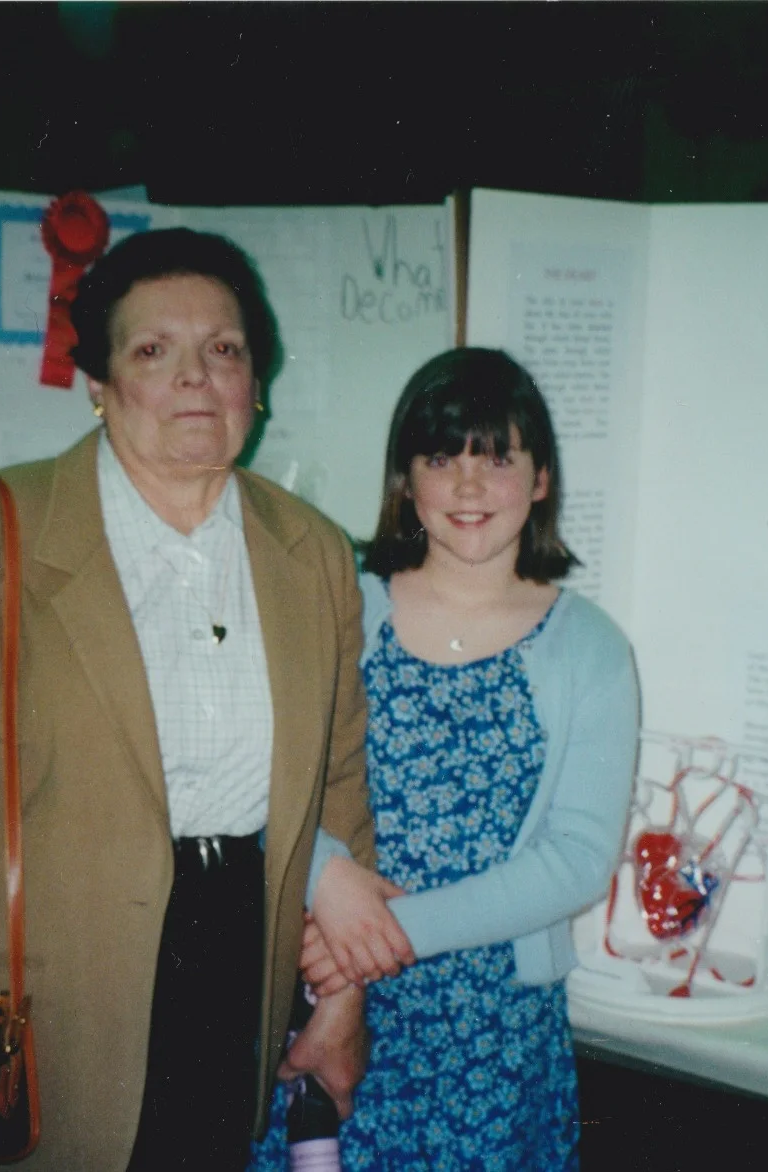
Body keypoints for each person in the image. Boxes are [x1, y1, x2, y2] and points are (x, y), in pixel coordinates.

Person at [0, 228, 411, 1170]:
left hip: (234, 967)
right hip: (43, 993)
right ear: (96, 383)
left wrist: (340, 1004)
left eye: (224, 350)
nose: (194, 378)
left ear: (256, 383)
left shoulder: (311, 551)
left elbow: (339, 792)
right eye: (151, 351)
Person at [252, 348, 641, 1170]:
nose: (468, 488)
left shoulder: (590, 649)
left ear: (540, 480)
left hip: (489, 1029)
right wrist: (329, 888)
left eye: (497, 459)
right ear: (407, 479)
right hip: (313, 980)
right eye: (441, 459)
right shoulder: (342, 600)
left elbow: (575, 861)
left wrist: (386, 931)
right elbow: (255, 774)